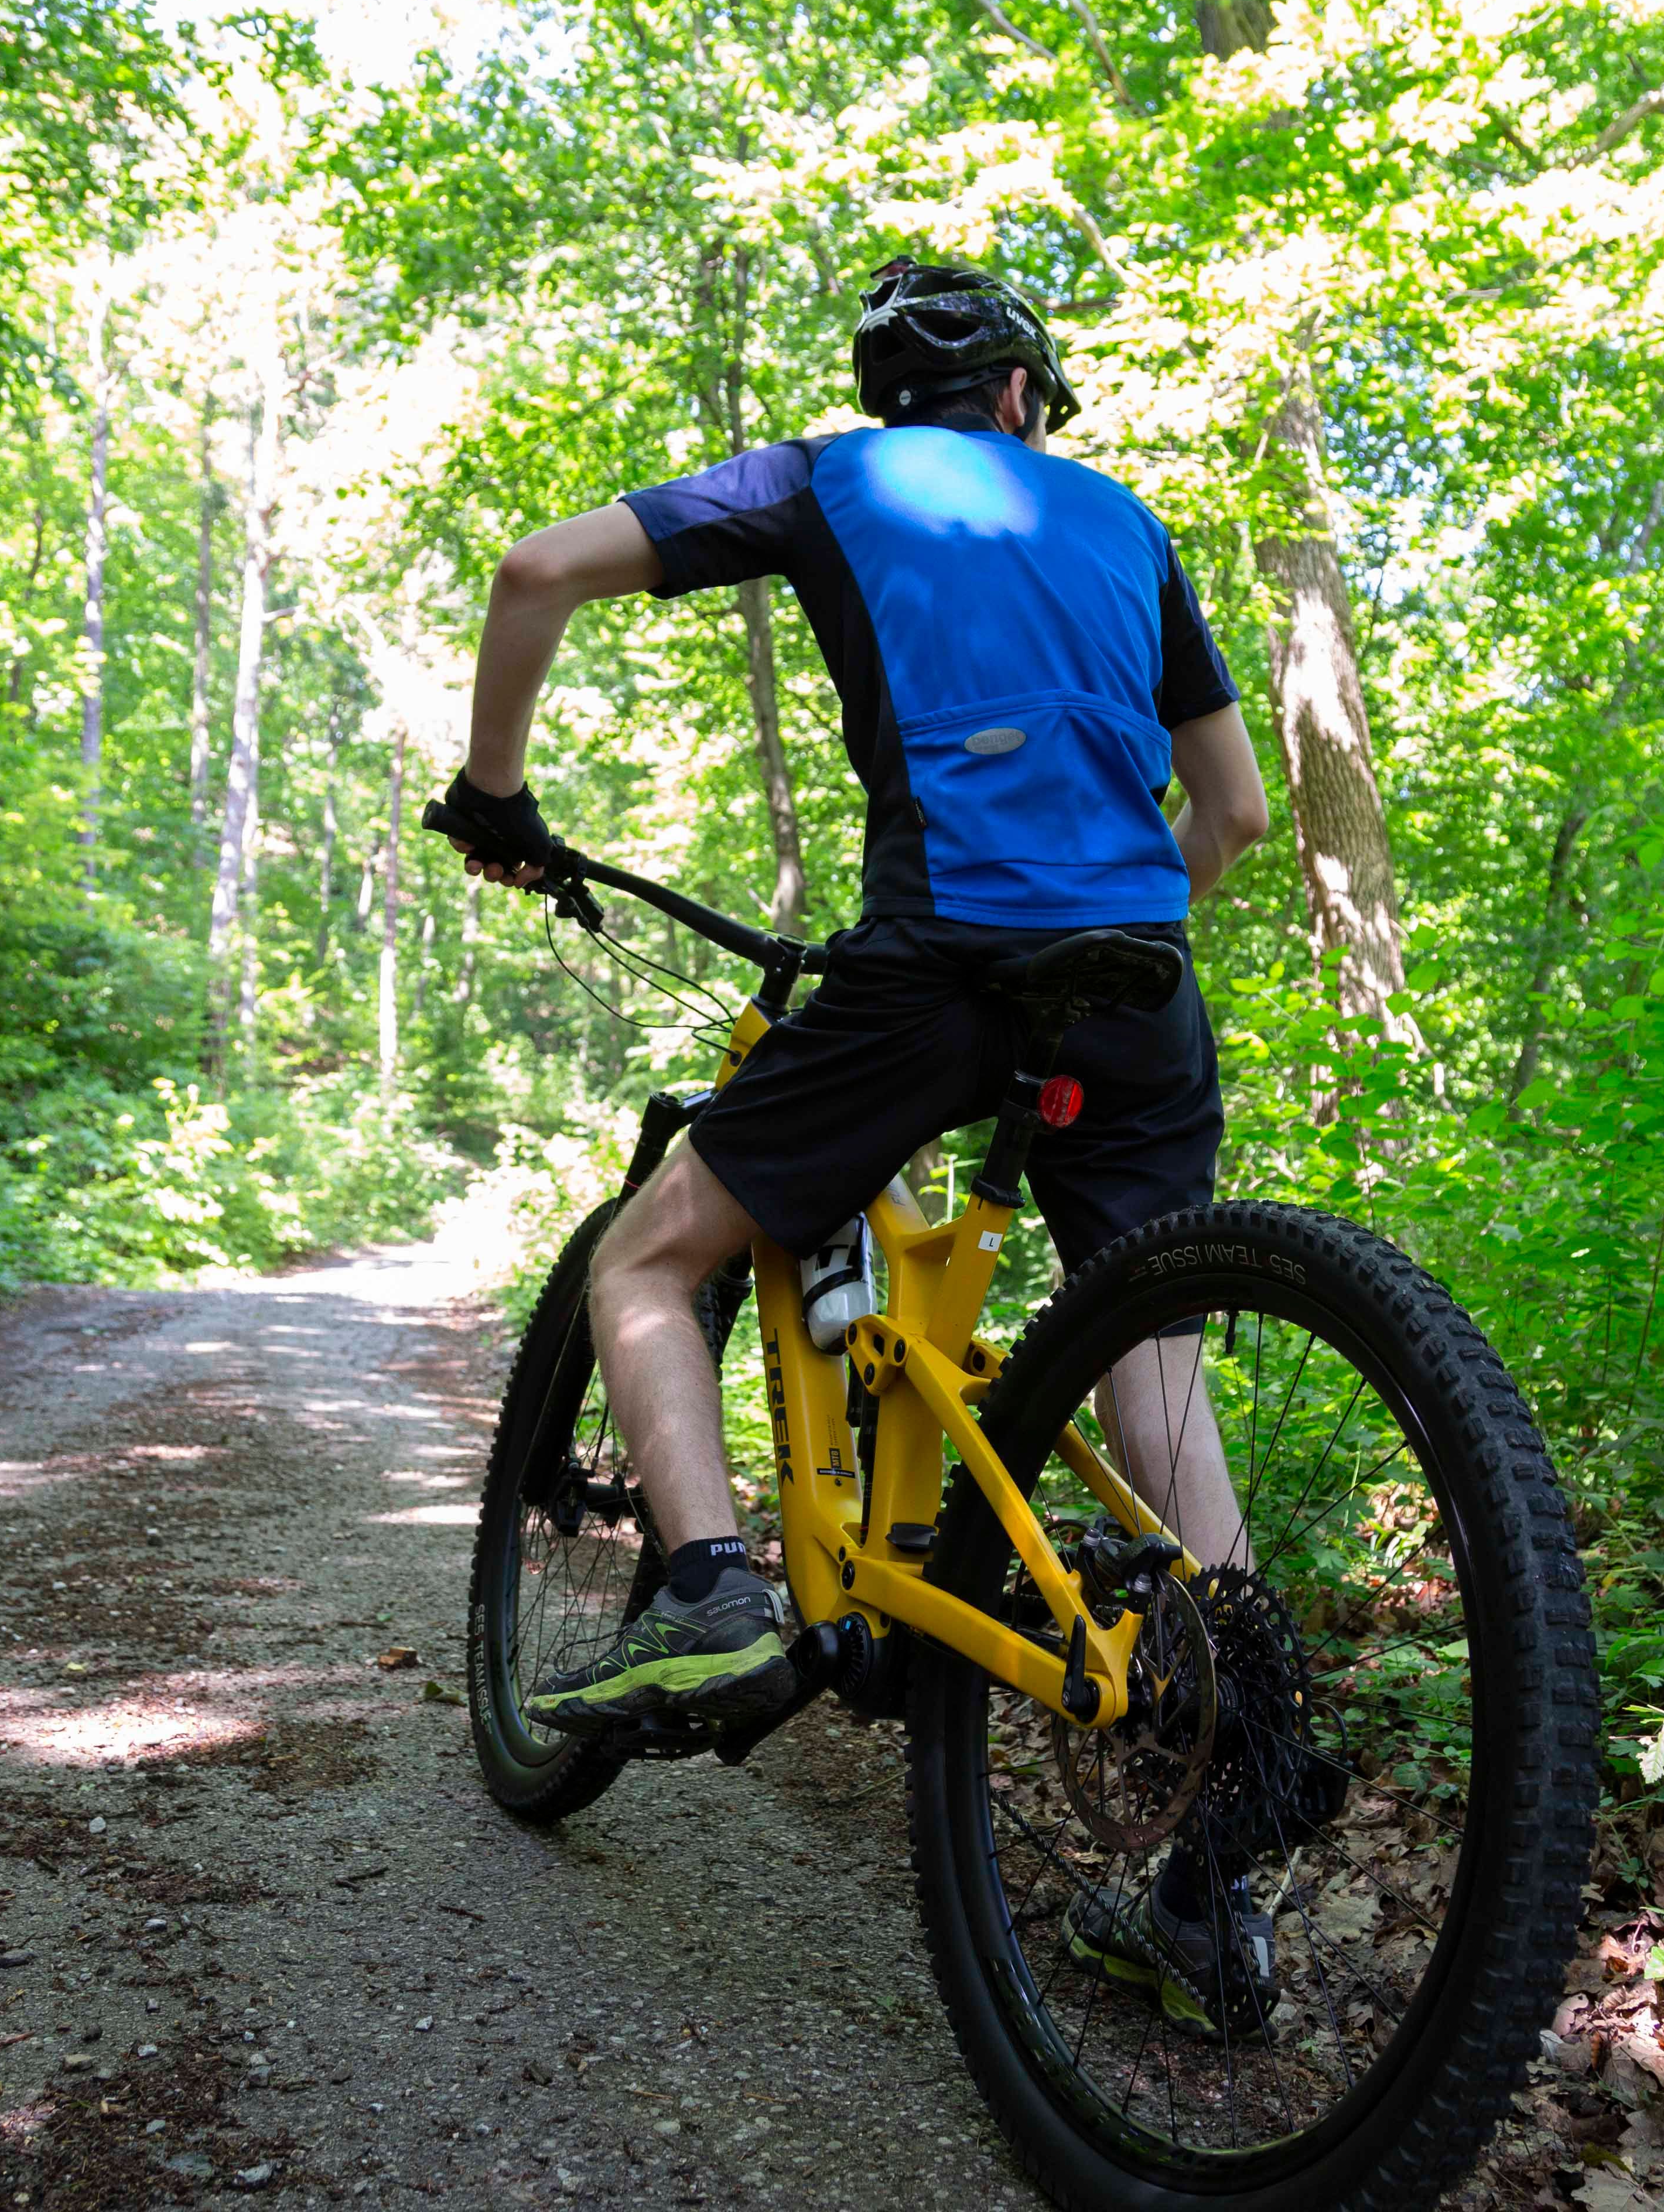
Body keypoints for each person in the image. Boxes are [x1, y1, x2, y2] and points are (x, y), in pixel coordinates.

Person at [435, 259, 1280, 2033]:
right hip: (1137, 977)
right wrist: (1112, 944)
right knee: (1150, 1348)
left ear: (892, 396)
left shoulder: (833, 473)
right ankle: (1231, 1793)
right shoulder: (1125, 518)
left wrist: (496, 797)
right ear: (1029, 400)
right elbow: (1238, 810)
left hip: (942, 955)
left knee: (647, 1256)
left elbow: (538, 572)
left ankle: (713, 1590)